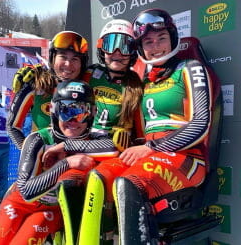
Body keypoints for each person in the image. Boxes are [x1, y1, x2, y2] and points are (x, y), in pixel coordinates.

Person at [76, 8, 216, 245]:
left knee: (129, 184)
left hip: (188, 158)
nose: (156, 46)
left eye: (161, 39)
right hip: (149, 155)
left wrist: (152, 147)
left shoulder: (190, 69)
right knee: (97, 178)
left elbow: (201, 124)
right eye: (148, 42)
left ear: (172, 37)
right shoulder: (140, 81)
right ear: (140, 47)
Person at [42, 19, 144, 245]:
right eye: (110, 44)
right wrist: (39, 74)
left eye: (124, 46)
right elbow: (63, 79)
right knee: (60, 195)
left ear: (133, 51)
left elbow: (141, 133)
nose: (117, 52)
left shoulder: (135, 86)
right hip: (78, 146)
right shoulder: (89, 74)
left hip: (106, 152)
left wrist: (130, 137)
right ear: (101, 49)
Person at [0, 80, 119, 245]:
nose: (73, 120)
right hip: (20, 203)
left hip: (52, 210)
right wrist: (66, 164)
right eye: (65, 111)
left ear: (92, 113)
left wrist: (66, 145)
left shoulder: (96, 137)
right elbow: (26, 191)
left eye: (81, 112)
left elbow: (111, 148)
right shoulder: (39, 138)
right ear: (53, 111)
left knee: (27, 235)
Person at [7, 31, 89, 149]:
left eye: (75, 59)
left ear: (82, 63)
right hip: (45, 163)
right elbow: (12, 126)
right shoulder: (37, 84)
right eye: (63, 57)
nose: (68, 64)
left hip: (80, 160)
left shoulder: (88, 86)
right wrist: (32, 154)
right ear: (52, 58)